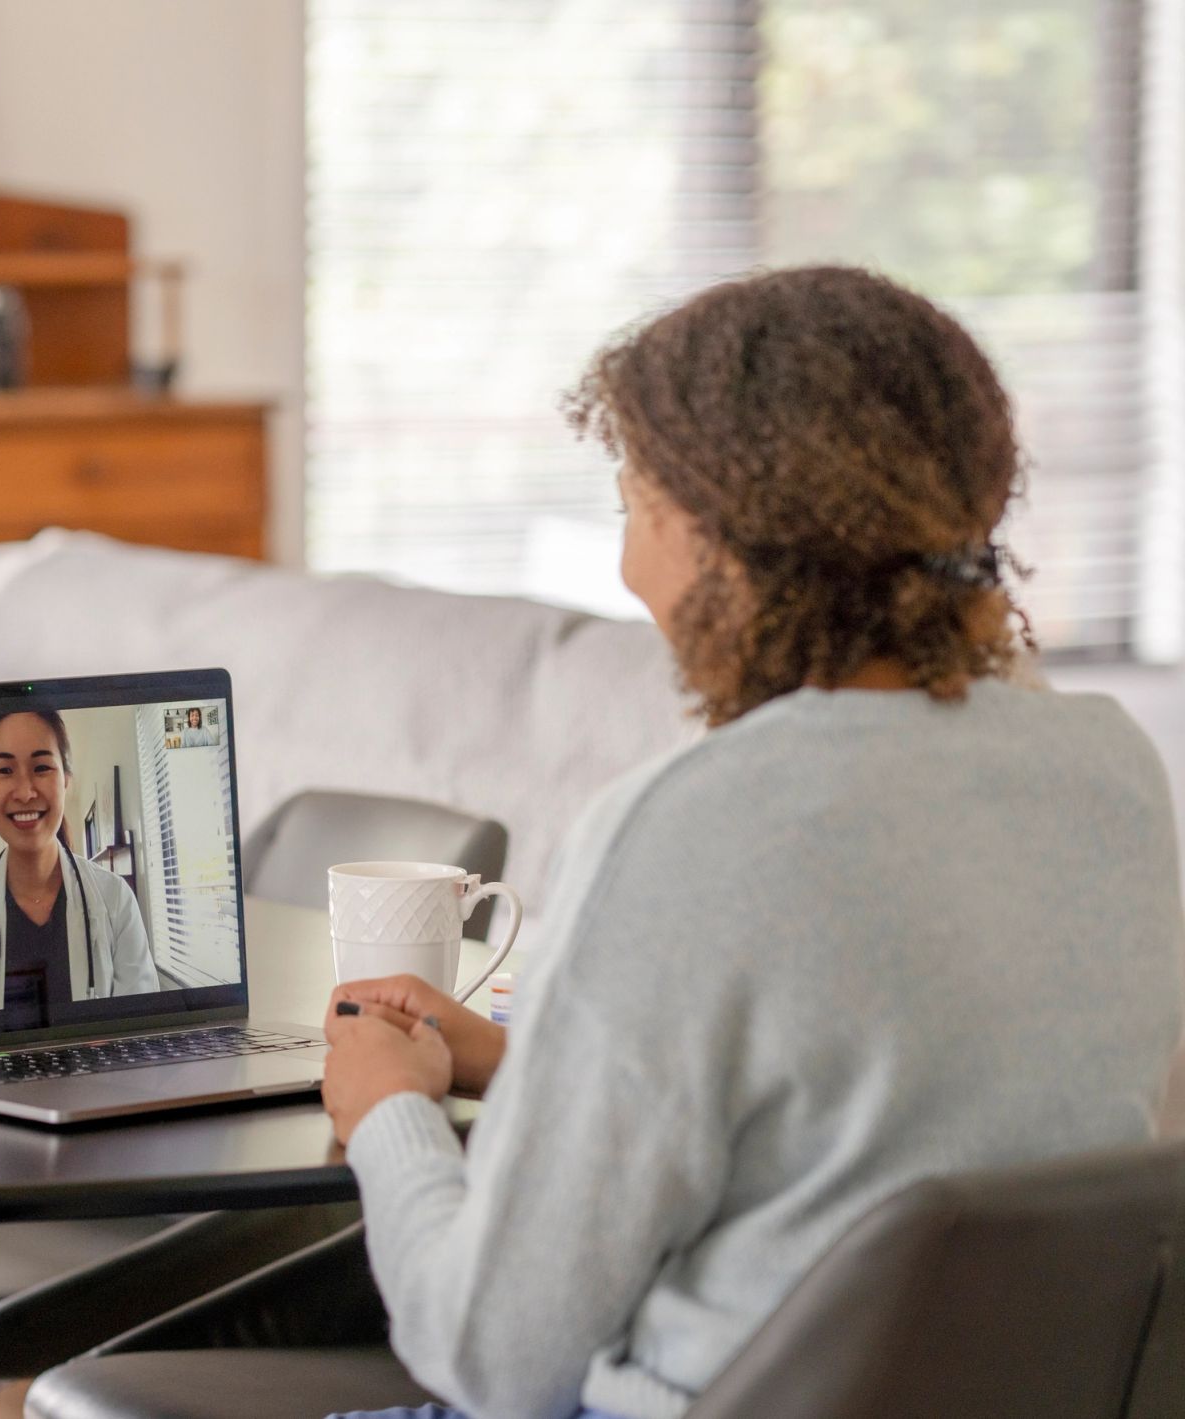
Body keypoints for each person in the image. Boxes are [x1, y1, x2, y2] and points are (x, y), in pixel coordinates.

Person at [320, 267, 1185, 1419]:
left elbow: (492, 1358)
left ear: (719, 540)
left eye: (633, 506)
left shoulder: (687, 824)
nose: (629, 570)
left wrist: (387, 1108)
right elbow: (884, 1126)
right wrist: (541, 1066)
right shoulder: (1109, 772)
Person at [0, 710, 159, 1018]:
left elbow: (141, 1032)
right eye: (5, 770)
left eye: (41, 767)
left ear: (66, 781)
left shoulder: (115, 900)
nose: (25, 792)